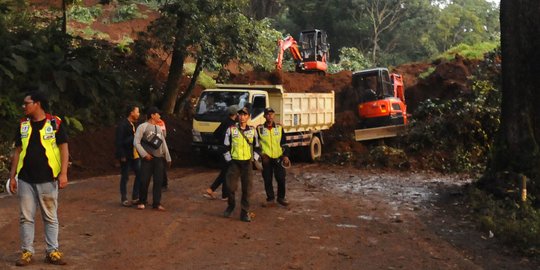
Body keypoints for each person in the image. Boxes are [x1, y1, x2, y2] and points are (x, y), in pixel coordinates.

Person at [9, 91, 69, 266]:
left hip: (48, 178)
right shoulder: (22, 125)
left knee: (50, 217)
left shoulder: (55, 123)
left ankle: (52, 251)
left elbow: (64, 148)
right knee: (25, 217)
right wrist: (12, 176)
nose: (24, 106)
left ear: (37, 104)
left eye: (26, 103)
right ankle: (27, 251)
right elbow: (18, 151)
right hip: (25, 179)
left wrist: (63, 173)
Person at [223, 105, 258, 222]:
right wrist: (229, 159)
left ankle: (244, 212)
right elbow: (225, 146)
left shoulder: (253, 131)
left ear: (248, 117)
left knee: (247, 189)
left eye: (245, 115)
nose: (242, 117)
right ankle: (231, 205)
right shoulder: (231, 130)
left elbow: (257, 147)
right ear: (237, 116)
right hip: (234, 163)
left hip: (247, 163)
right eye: (240, 114)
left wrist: (254, 159)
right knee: (230, 187)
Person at [134, 107, 171, 211]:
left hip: (158, 158)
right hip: (147, 159)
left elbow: (163, 143)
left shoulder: (159, 128)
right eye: (158, 114)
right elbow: (136, 142)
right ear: (152, 115)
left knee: (158, 181)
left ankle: (157, 203)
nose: (159, 116)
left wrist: (168, 158)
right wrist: (144, 154)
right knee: (144, 180)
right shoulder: (142, 127)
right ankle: (142, 201)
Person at [257, 108, 290, 207]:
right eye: (267, 114)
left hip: (278, 157)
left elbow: (284, 143)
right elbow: (256, 144)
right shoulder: (259, 129)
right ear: (264, 116)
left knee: (281, 178)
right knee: (267, 179)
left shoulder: (279, 128)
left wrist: (286, 156)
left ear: (274, 115)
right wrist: (261, 154)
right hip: (266, 158)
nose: (270, 116)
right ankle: (270, 199)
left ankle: (281, 198)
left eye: (271, 114)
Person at [203, 105, 237, 200]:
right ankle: (217, 191)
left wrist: (221, 142)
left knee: (225, 171)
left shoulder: (225, 122)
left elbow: (215, 133)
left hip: (222, 149)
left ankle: (218, 192)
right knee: (227, 172)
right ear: (235, 114)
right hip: (229, 150)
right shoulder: (232, 124)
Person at [115, 105, 141, 207]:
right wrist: (121, 155)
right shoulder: (122, 125)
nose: (138, 114)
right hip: (126, 154)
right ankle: (124, 198)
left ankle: (135, 196)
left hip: (135, 154)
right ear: (131, 113)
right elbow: (119, 141)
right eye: (137, 112)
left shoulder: (134, 124)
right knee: (125, 176)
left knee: (139, 174)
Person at [156, 118, 169, 190]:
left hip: (158, 146)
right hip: (157, 146)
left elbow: (163, 135)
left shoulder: (160, 122)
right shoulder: (161, 122)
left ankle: (163, 183)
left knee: (160, 166)